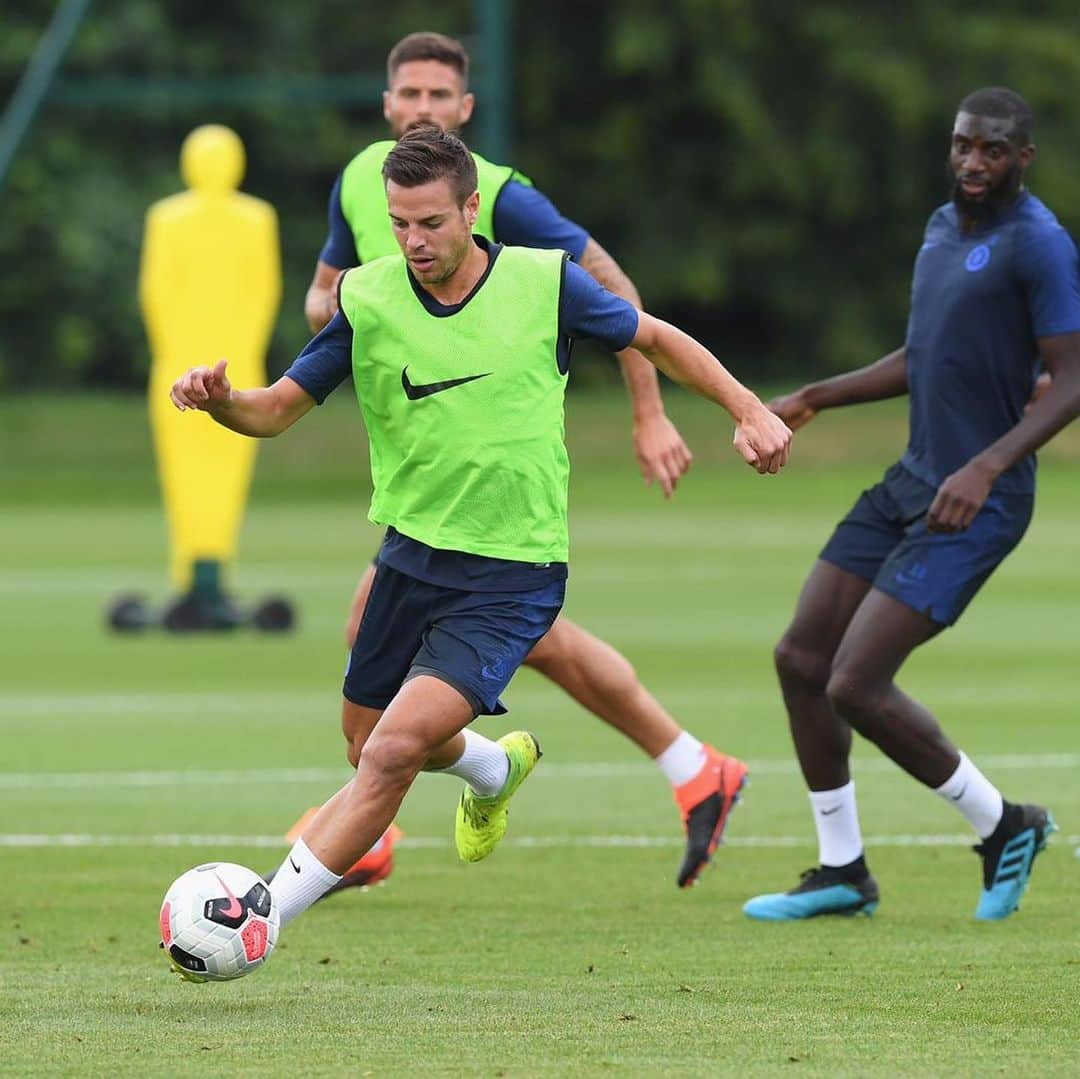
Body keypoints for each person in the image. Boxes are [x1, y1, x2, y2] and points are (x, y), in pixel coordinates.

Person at [169, 125, 792, 949]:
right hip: (407, 558)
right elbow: (278, 408)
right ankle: (492, 768)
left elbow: (655, 337)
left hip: (511, 573)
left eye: (430, 222)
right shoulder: (371, 298)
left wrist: (749, 409)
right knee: (364, 745)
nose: (413, 240)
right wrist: (222, 401)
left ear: (471, 209)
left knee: (391, 750)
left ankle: (261, 917)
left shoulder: (545, 283)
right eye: (398, 223)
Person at [298, 31, 749, 892]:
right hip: (421, 468)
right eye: (410, 94)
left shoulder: (502, 198)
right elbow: (328, 288)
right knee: (532, 642)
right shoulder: (362, 180)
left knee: (423, 642)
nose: (423, 108)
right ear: (388, 104)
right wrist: (329, 307)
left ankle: (372, 812)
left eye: (441, 97)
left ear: (465, 114)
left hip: (494, 473)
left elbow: (613, 289)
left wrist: (648, 412)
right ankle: (689, 765)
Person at [742, 87, 1079, 923]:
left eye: (993, 150)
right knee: (799, 660)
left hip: (981, 500)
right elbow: (926, 354)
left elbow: (1073, 378)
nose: (974, 162)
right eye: (964, 145)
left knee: (856, 682)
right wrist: (817, 393)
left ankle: (1006, 825)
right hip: (911, 479)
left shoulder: (1039, 245)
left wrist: (989, 466)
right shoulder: (940, 229)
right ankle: (841, 869)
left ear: (1022, 158)